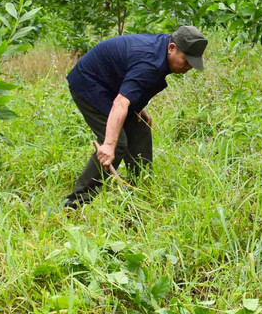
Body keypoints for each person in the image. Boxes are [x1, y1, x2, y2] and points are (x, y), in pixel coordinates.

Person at [64, 25, 208, 208]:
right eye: (186, 61)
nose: (189, 67)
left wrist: (136, 104)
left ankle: (139, 195)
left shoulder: (163, 48)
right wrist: (108, 145)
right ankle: (75, 205)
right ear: (172, 48)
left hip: (111, 85)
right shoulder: (150, 62)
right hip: (89, 84)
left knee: (141, 128)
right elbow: (120, 103)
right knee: (118, 144)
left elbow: (133, 79)